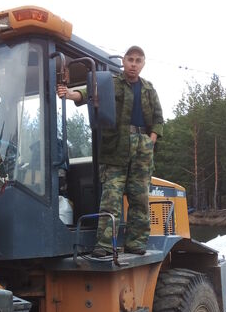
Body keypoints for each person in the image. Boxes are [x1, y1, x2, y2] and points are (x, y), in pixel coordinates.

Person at [57, 46, 163, 257]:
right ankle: (105, 245)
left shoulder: (149, 89)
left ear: (143, 64)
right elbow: (88, 93)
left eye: (138, 61)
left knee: (140, 198)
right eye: (130, 59)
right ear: (123, 61)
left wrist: (150, 141)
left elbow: (158, 120)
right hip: (116, 147)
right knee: (111, 198)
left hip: (142, 148)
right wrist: (70, 94)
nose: (133, 64)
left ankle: (136, 243)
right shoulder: (111, 83)